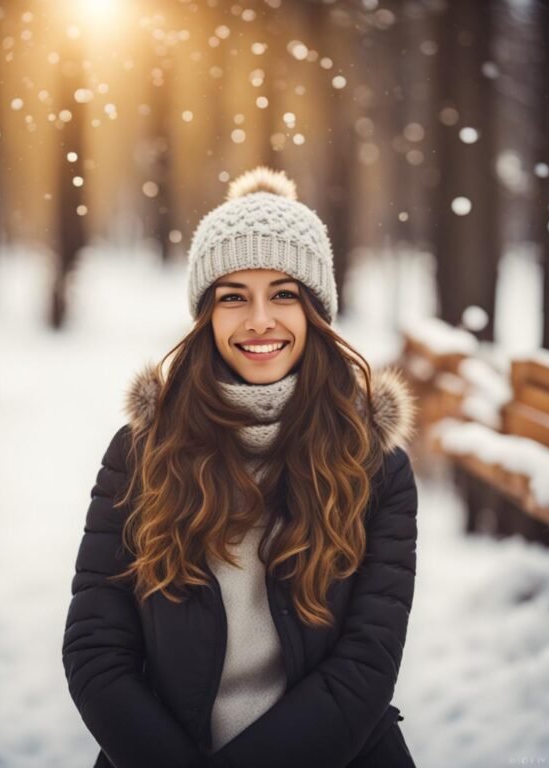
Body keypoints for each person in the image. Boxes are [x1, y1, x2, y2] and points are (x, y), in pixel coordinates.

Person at [63, 166, 419, 768]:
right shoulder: (142, 454)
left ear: (317, 313)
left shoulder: (374, 467)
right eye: (234, 297)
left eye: (284, 294)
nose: (260, 321)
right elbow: (97, 651)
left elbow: (367, 663)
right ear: (206, 316)